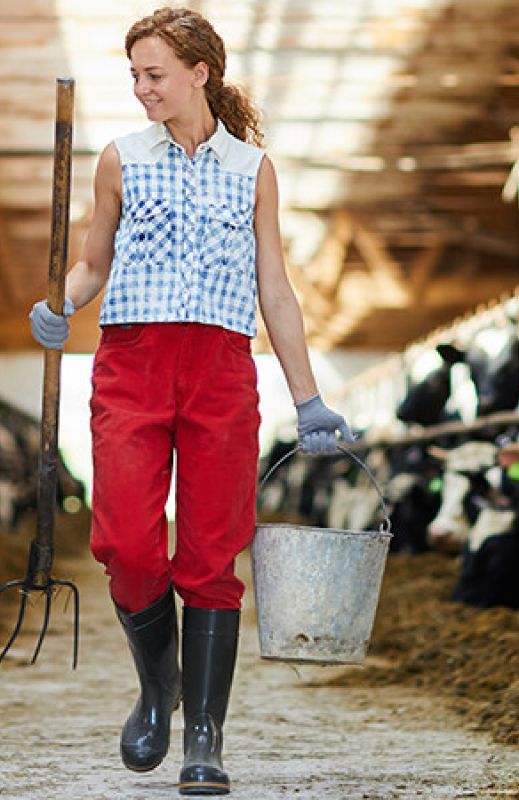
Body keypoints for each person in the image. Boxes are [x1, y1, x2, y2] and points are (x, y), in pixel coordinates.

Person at [29, 7, 354, 796]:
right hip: (132, 364)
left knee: (211, 553)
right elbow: (92, 263)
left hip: (220, 367)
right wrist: (60, 303)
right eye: (135, 75)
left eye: (155, 74)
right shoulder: (120, 160)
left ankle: (204, 736)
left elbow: (274, 287)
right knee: (129, 546)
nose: (141, 89)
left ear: (200, 73)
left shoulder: (253, 170)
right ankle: (159, 687)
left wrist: (308, 397)